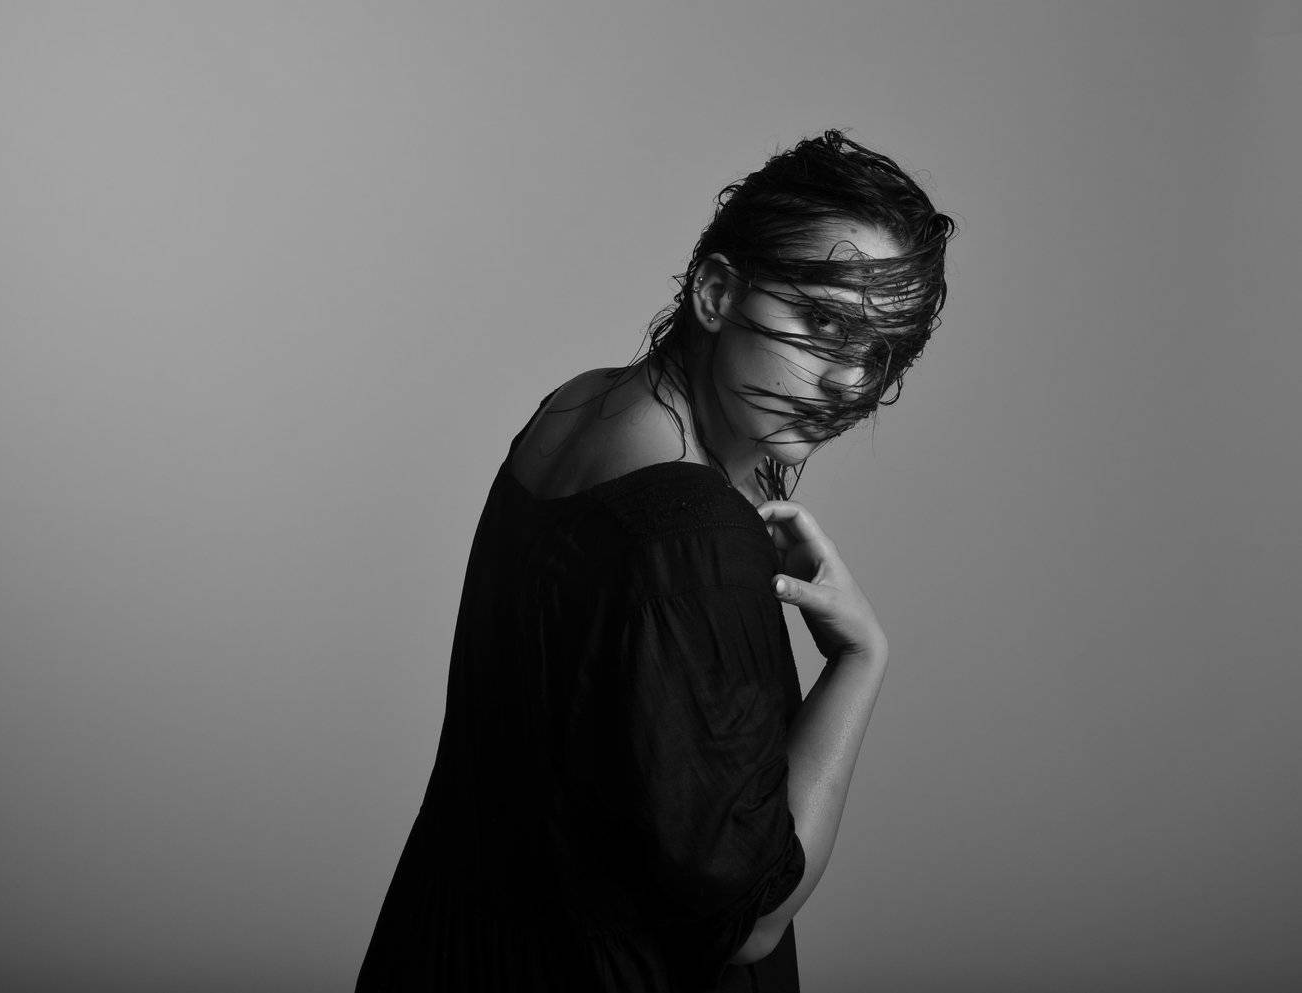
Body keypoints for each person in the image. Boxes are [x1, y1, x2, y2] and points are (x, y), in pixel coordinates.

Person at [354, 131, 955, 992]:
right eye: (825, 324)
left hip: (447, 949)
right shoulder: (691, 535)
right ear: (716, 291)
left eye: (878, 352)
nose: (849, 382)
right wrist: (860, 660)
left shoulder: (578, 407)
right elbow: (749, 921)